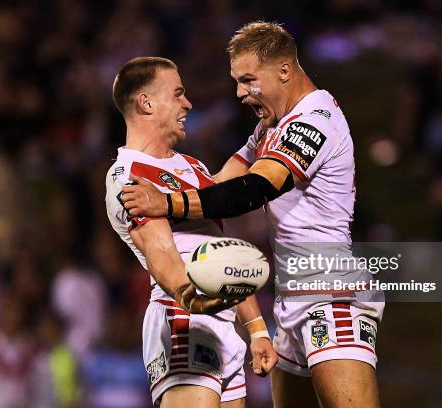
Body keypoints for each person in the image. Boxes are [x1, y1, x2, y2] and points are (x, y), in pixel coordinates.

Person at [121, 23, 385, 408]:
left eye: (248, 80)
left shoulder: (314, 119)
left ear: (284, 71)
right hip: (292, 296)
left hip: (330, 292)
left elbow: (254, 189)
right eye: (236, 81)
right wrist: (158, 188)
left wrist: (166, 204)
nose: (240, 93)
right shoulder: (271, 126)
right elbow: (222, 183)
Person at [104, 56, 277, 408]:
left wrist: (257, 328)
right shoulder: (128, 175)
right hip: (183, 317)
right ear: (146, 103)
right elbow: (160, 251)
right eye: (178, 94)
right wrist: (190, 296)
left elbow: (222, 251)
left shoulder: (192, 167)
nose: (189, 104)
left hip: (223, 323)